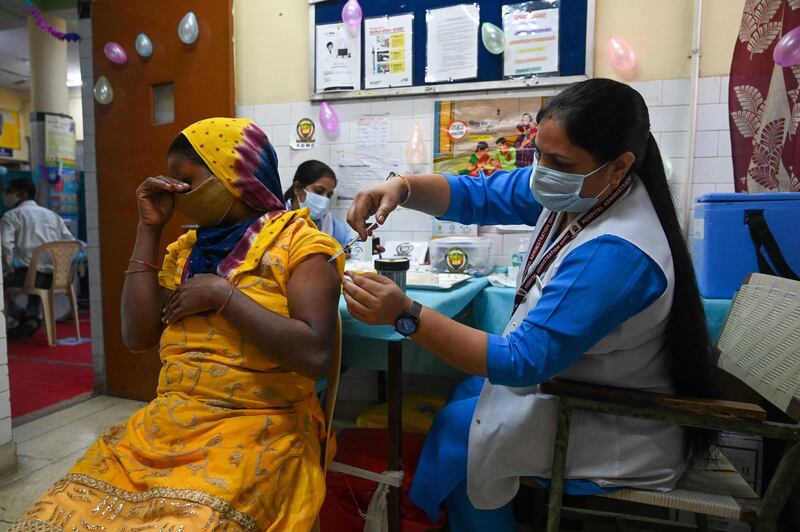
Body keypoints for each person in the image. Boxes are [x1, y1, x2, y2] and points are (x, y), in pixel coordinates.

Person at [342, 79, 717, 530]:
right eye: (539, 154)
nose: (542, 170)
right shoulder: (581, 190)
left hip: (614, 425)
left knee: (465, 431)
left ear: (620, 166)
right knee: (466, 394)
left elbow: (522, 361)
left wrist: (405, 315)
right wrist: (401, 187)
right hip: (573, 391)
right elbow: (478, 194)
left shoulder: (617, 252)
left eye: (559, 161)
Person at [12, 118, 344, 531]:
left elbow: (314, 354)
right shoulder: (186, 249)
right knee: (53, 517)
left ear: (234, 174)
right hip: (169, 425)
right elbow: (138, 336)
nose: (174, 191)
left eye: (185, 180)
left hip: (260, 426)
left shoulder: (300, 244)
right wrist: (148, 229)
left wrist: (222, 296)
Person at [1, 177, 76, 338]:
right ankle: (31, 318)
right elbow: (71, 243)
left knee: (8, 282)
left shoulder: (11, 216)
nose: (4, 195)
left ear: (21, 194)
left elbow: (6, 246)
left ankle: (22, 315)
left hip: (28, 276)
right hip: (55, 277)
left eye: (8, 192)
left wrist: (9, 267)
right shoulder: (52, 215)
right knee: (33, 277)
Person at [285, 159, 351, 247]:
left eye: (329, 195)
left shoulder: (333, 226)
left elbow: (352, 249)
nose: (325, 199)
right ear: (297, 189)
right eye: (319, 191)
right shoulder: (276, 220)